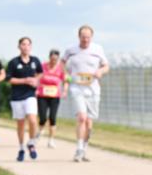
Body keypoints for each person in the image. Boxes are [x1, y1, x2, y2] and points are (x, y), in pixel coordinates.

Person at [61, 26, 109, 163]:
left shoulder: (98, 49)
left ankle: (85, 148)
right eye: (83, 37)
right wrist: (65, 74)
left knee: (89, 121)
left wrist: (100, 71)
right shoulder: (71, 50)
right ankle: (79, 149)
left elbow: (106, 66)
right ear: (79, 36)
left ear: (91, 37)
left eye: (88, 37)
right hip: (77, 88)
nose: (85, 39)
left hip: (93, 89)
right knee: (82, 117)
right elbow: (62, 63)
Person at [6, 37, 43, 161]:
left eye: (28, 44)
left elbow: (40, 73)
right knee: (21, 124)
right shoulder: (13, 62)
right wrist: (25, 80)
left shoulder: (35, 60)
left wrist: (36, 80)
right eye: (23, 44)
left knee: (33, 120)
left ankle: (31, 143)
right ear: (19, 46)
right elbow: (9, 79)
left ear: (31, 47)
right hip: (17, 97)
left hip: (30, 95)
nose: (25, 47)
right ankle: (21, 148)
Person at [36, 49, 67, 148]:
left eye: (56, 60)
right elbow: (36, 77)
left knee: (52, 118)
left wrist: (65, 91)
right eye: (52, 59)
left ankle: (51, 140)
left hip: (55, 96)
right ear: (49, 58)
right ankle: (40, 131)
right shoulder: (42, 66)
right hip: (42, 95)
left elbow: (66, 80)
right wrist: (35, 88)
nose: (54, 61)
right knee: (42, 117)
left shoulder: (61, 68)